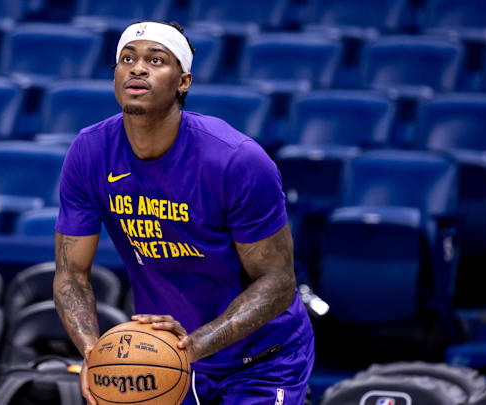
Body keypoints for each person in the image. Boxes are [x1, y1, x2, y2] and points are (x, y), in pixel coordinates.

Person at [53, 21, 314, 405]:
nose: (137, 68)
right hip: (174, 359)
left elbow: (277, 282)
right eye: (127, 59)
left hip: (263, 359)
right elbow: (71, 274)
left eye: (155, 60)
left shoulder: (236, 160)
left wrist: (191, 347)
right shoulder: (89, 152)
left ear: (183, 82)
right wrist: (95, 355)